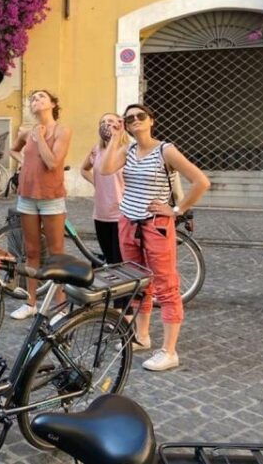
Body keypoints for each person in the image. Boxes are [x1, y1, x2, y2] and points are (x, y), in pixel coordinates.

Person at [101, 103, 210, 371]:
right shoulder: (128, 149)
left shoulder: (166, 150)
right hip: (127, 222)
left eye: (140, 116)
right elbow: (104, 169)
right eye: (129, 119)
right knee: (139, 281)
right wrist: (115, 137)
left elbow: (201, 181)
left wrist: (176, 209)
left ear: (151, 121)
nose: (135, 120)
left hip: (155, 225)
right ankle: (142, 336)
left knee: (166, 284)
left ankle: (169, 351)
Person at [8, 90, 72, 320]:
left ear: (53, 104)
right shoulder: (26, 132)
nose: (36, 101)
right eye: (33, 99)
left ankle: (60, 307)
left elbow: (53, 162)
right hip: (27, 196)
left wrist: (40, 138)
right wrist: (26, 162)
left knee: (56, 253)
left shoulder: (62, 130)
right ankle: (31, 302)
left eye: (41, 97)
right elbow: (13, 150)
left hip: (51, 198)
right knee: (31, 251)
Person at [80, 113, 127, 265]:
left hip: (121, 212)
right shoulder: (96, 150)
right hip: (101, 212)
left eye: (111, 121)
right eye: (103, 121)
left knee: (119, 258)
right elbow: (84, 169)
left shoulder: (127, 150)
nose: (107, 124)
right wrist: (96, 183)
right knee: (108, 257)